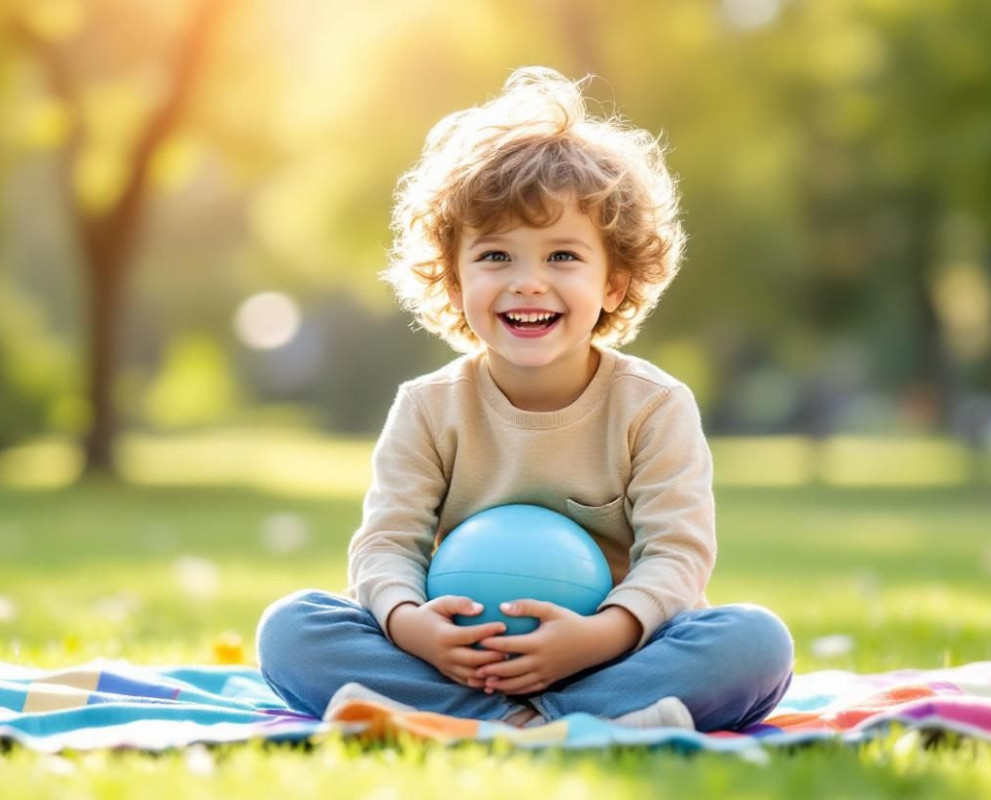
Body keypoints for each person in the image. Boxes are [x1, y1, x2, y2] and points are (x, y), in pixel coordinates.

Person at [256, 67, 793, 732]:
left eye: (563, 256)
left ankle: (532, 717)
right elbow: (386, 545)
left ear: (615, 283)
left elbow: (677, 557)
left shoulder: (654, 406)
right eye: (497, 258)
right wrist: (413, 627)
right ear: (454, 282)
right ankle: (518, 719)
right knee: (292, 630)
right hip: (457, 658)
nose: (529, 283)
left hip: (617, 653)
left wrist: (601, 636)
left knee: (755, 643)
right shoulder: (427, 408)